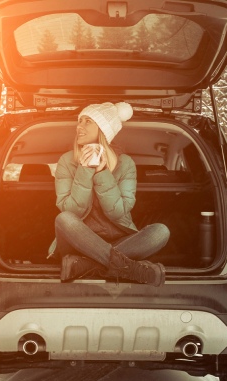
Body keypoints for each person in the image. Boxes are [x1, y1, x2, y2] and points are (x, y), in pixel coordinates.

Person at [47, 102, 170, 286]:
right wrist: (85, 169)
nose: (79, 127)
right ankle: (129, 268)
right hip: (77, 241)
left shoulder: (126, 164)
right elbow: (72, 210)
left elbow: (119, 212)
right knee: (64, 219)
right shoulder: (67, 161)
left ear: (103, 129)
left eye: (87, 121)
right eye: (79, 121)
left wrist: (102, 172)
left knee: (160, 232)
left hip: (119, 239)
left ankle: (86, 266)